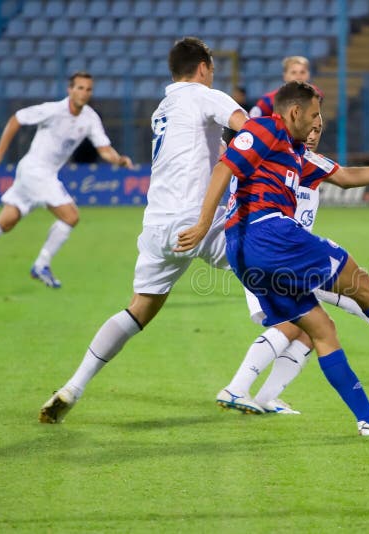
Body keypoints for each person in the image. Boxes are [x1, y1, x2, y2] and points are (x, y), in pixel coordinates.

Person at [176, 81, 369, 436]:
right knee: (359, 283)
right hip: (268, 233)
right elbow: (225, 167)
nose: (317, 122)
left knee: (321, 330)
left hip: (247, 255)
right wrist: (203, 223)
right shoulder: (267, 128)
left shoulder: (298, 154)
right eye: (314, 115)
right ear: (294, 112)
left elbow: (345, 176)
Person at [38, 37, 248, 423]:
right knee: (280, 263)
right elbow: (248, 132)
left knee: (141, 308)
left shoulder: (164, 108)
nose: (213, 74)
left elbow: (204, 150)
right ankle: (368, 315)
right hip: (194, 219)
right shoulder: (206, 96)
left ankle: (74, 385)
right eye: (212, 68)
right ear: (202, 67)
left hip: (157, 224)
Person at [216, 118, 369, 415]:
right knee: (295, 323)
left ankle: (264, 397)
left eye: (318, 130)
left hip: (290, 255)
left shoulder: (309, 163)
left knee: (314, 330)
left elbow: (347, 175)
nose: (312, 134)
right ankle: (237, 388)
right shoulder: (274, 156)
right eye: (309, 126)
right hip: (272, 253)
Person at [0, 72, 133, 290]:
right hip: (35, 170)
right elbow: (17, 118)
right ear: (70, 90)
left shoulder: (90, 118)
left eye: (88, 89)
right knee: (71, 216)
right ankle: (41, 264)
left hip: (40, 174)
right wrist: (0, 149)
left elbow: (104, 149)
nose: (84, 93)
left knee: (7, 220)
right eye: (80, 88)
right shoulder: (53, 110)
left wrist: (118, 159)